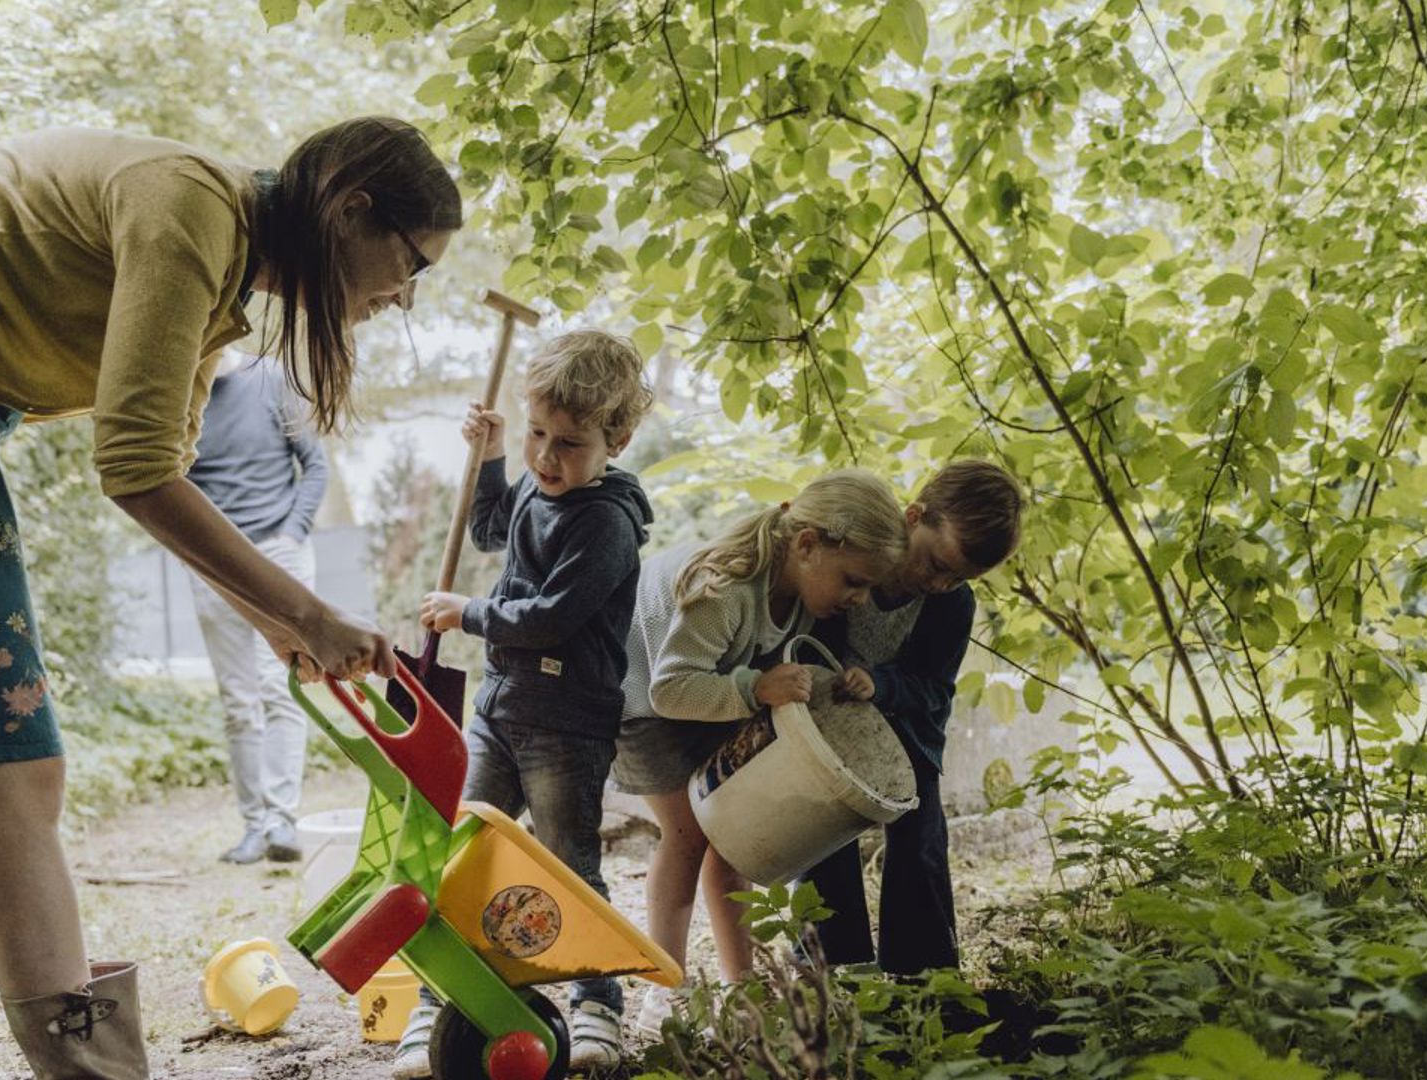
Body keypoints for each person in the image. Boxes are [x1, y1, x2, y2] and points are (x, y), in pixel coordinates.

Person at [0, 118, 459, 1079]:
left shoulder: (223, 267)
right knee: (12, 766)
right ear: (351, 209)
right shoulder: (193, 210)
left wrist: (281, 626)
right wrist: (309, 612)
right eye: (411, 263)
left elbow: (164, 468)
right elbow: (131, 472)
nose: (404, 295)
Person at [394, 330, 655, 1075]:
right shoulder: (538, 487)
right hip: (500, 713)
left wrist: (467, 613)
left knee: (568, 863)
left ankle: (597, 1006)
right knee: (460, 858)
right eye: (537, 433)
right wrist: (491, 458)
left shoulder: (605, 523)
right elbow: (487, 527)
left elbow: (549, 614)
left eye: (568, 443)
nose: (547, 457)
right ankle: (437, 1005)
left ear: (619, 439)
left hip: (567, 728)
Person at [612, 469, 905, 1031]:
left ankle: (740, 991)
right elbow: (669, 689)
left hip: (707, 694)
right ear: (807, 544)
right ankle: (664, 992)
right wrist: (753, 688)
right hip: (640, 703)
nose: (859, 599)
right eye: (854, 581)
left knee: (734, 834)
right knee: (688, 835)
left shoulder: (803, 599)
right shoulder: (724, 589)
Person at [799, 460, 1024, 975]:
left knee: (920, 840)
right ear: (914, 517)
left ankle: (923, 973)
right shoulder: (854, 560)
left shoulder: (951, 605)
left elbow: (933, 690)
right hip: (824, 723)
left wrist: (884, 685)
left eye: (959, 577)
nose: (940, 582)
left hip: (905, 731)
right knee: (824, 834)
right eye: (936, 563)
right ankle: (833, 965)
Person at [186, 350, 330, 865]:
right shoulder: (182, 389)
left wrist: (293, 535)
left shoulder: (271, 379)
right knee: (238, 700)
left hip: (278, 551)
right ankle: (254, 827)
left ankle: (281, 823)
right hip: (213, 562)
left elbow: (314, 465)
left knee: (282, 687)